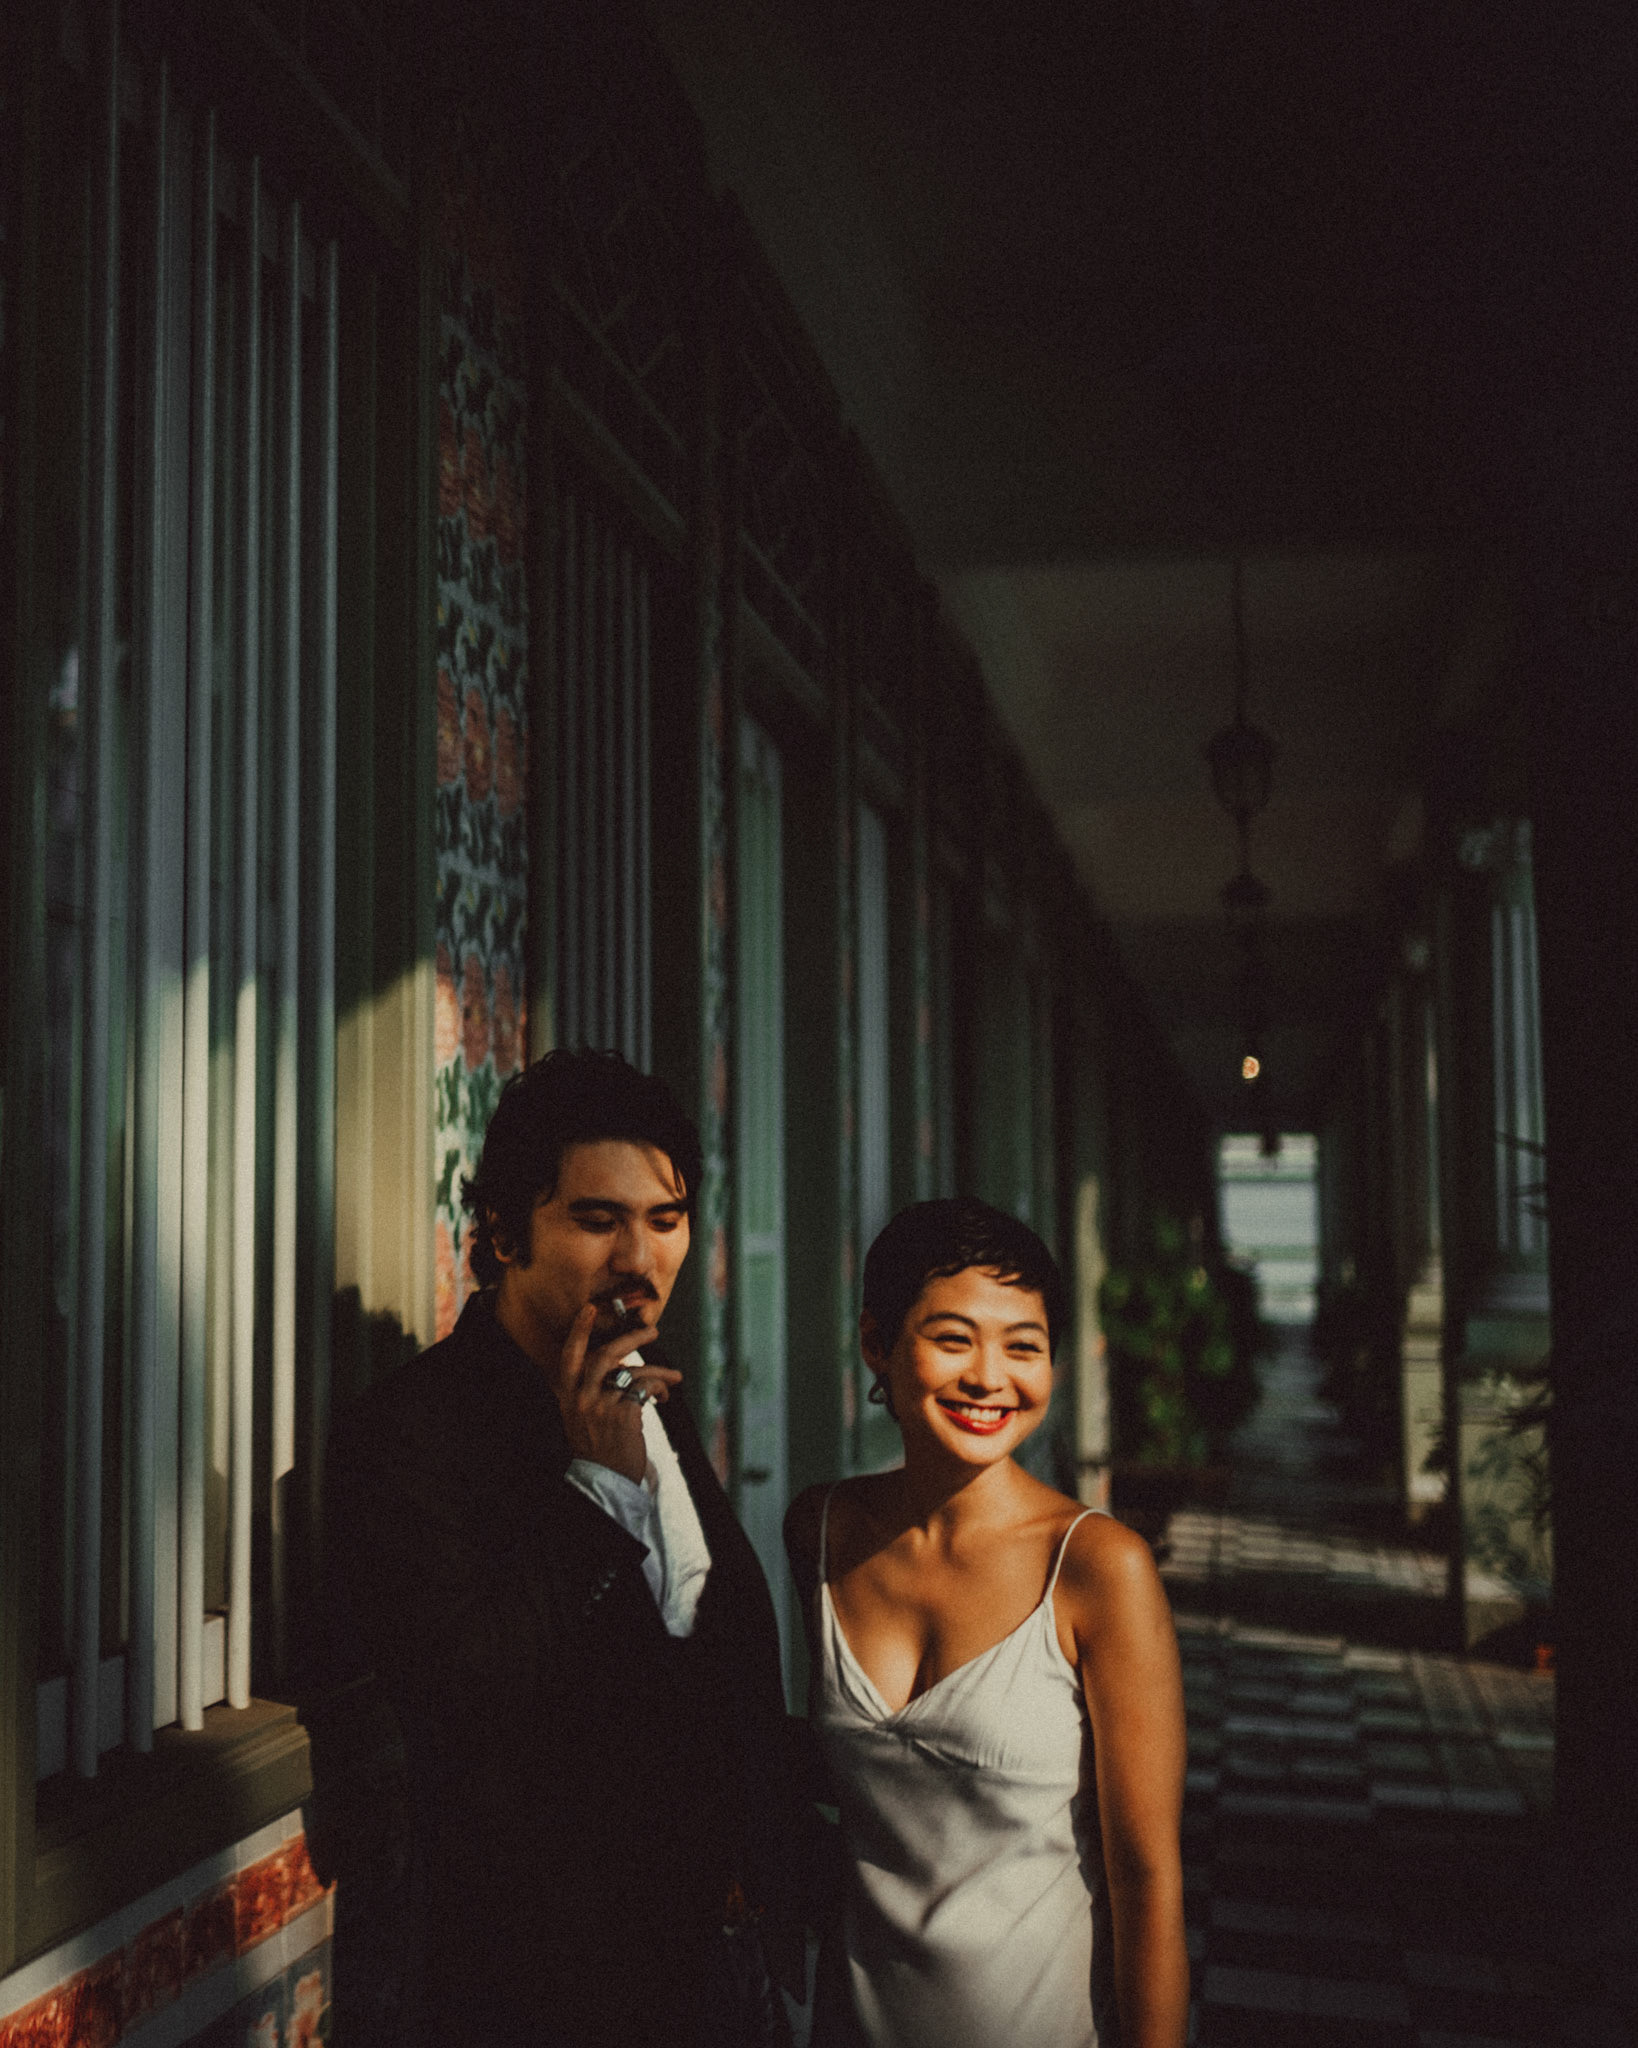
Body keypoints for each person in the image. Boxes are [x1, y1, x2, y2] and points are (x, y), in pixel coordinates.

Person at [320, 1049, 810, 2047]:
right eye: (598, 1219)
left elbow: (710, 1653)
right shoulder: (412, 1429)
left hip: (717, 1967)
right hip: (545, 1992)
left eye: (665, 1219)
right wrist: (590, 1489)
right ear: (503, 1231)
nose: (642, 1254)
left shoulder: (646, 1380)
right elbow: (464, 1697)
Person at [785, 1197, 1189, 2048]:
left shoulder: (1097, 1568)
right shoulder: (820, 1531)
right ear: (876, 1346)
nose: (989, 1377)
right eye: (952, 1338)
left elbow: (1147, 1879)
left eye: (1024, 1346)